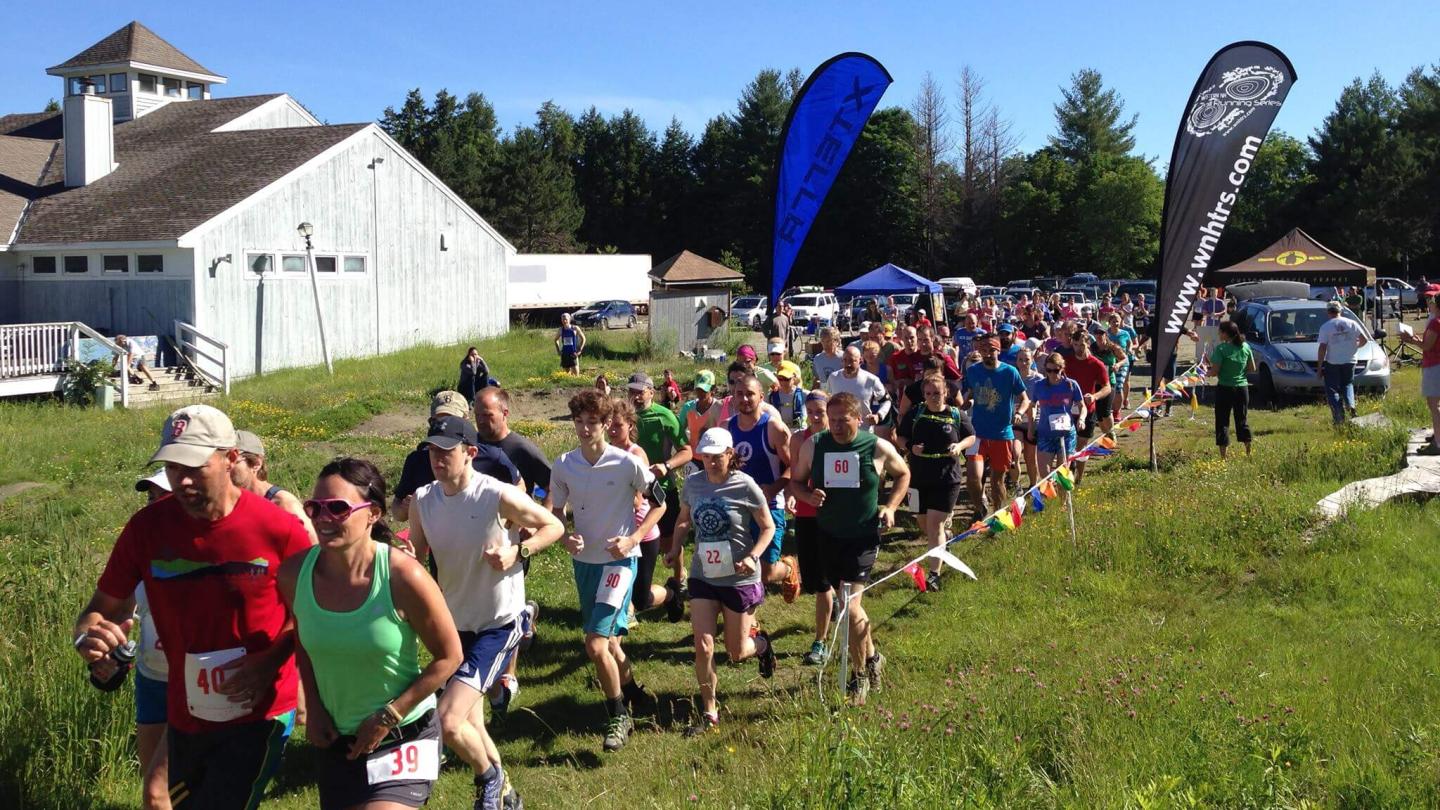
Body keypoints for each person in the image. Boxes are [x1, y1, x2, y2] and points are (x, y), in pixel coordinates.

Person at [74, 404, 310, 810]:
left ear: (231, 458)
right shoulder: (146, 529)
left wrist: (271, 661)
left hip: (261, 710)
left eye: (194, 467)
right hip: (186, 712)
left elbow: (315, 617)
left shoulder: (278, 528)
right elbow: (99, 609)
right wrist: (88, 636)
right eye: (171, 467)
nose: (181, 480)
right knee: (167, 800)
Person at [280, 458, 463, 810]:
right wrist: (314, 709)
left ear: (373, 513)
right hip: (338, 742)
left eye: (337, 508)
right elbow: (303, 642)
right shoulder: (293, 575)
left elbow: (450, 656)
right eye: (314, 508)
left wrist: (388, 716)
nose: (323, 518)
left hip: (403, 735)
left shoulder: (402, 576)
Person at [405, 416, 564, 808]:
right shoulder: (423, 502)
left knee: (449, 719)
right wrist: (406, 562)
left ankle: (488, 782)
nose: (437, 458)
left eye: (447, 450)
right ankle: (507, 792)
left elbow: (553, 526)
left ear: (470, 453)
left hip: (499, 622)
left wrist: (518, 551)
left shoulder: (496, 495)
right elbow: (419, 557)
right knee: (471, 723)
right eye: (432, 450)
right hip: (454, 624)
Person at [550, 390, 666, 752]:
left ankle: (618, 715)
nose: (585, 430)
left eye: (592, 423)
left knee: (596, 643)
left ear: (605, 424)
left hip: (619, 563)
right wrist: (565, 537)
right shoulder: (564, 464)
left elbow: (662, 503)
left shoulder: (626, 463)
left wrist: (634, 540)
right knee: (611, 642)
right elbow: (553, 511)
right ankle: (631, 691)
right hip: (585, 564)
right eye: (579, 422)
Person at [790, 392, 911, 706]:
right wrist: (807, 496)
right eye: (833, 420)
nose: (838, 426)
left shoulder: (876, 447)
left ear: (859, 418)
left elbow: (903, 474)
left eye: (844, 420)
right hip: (827, 535)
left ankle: (858, 679)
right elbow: (796, 482)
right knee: (847, 605)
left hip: (862, 537)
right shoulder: (814, 445)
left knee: (849, 606)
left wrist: (890, 507)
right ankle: (872, 657)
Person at [666, 428, 777, 736]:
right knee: (703, 646)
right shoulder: (693, 483)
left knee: (737, 651)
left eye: (719, 457)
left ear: (731, 454)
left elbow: (767, 527)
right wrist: (676, 547)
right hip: (704, 574)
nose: (712, 462)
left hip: (739, 576)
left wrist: (754, 556)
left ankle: (763, 645)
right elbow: (685, 519)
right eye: (707, 457)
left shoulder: (745, 485)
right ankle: (710, 712)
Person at [474, 386, 553, 707]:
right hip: (480, 542)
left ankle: (508, 674)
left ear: (505, 413)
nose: (480, 421)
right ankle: (528, 614)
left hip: (514, 542)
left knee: (505, 606)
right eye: (477, 415)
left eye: (487, 415)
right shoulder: (473, 447)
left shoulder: (520, 448)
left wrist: (537, 525)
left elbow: (553, 486)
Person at [896, 372, 975, 592]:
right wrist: (910, 447)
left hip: (947, 477)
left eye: (937, 393)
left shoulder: (956, 415)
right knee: (923, 524)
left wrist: (959, 447)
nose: (933, 397)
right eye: (929, 393)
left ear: (946, 393)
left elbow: (971, 436)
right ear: (923, 394)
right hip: (918, 476)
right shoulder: (915, 413)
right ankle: (945, 540)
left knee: (934, 524)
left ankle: (934, 575)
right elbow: (899, 437)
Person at [726, 375, 801, 602]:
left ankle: (788, 568)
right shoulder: (728, 427)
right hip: (738, 506)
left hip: (770, 505)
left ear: (761, 396)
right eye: (740, 394)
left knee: (767, 572)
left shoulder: (773, 428)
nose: (745, 399)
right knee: (739, 563)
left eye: (750, 394)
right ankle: (748, 612)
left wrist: (774, 487)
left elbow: (793, 467)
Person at [392, 392, 521, 523]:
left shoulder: (491, 456)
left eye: (451, 421)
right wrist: (404, 509)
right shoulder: (417, 460)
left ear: (465, 421)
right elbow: (397, 510)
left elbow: (519, 485)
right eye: (437, 421)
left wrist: (509, 516)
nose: (444, 427)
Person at [608, 398, 683, 620]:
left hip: (643, 532)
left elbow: (639, 501)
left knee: (641, 598)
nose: (612, 429)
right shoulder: (606, 452)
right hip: (617, 529)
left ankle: (670, 594)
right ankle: (620, 617)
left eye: (618, 425)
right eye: (609, 424)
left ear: (630, 425)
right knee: (618, 583)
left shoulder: (635, 455)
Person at [629, 372, 692, 620]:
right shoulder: (625, 417)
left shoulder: (664, 416)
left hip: (662, 490)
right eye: (631, 391)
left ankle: (679, 579)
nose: (634, 396)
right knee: (635, 545)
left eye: (639, 391)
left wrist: (666, 465)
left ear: (651, 392)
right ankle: (632, 601)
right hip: (632, 494)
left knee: (669, 543)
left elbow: (687, 451)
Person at [788, 391, 834, 666]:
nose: (815, 417)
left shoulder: (839, 440)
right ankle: (831, 609)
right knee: (814, 580)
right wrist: (797, 496)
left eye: (821, 411)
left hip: (833, 517)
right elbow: (796, 476)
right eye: (811, 411)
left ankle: (820, 641)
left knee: (824, 585)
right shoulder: (798, 439)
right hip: (806, 514)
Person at [963, 336, 1030, 511]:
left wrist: (1019, 413)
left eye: (991, 350)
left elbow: (1025, 399)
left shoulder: (1010, 372)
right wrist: (965, 403)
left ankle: (998, 513)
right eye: (984, 351)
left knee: (997, 480)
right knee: (972, 477)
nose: (987, 354)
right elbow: (970, 395)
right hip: (977, 433)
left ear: (998, 350)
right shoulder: (973, 371)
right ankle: (980, 509)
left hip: (1001, 433)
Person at [233, 430, 317, 544]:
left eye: (233, 459)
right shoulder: (230, 502)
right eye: (222, 459)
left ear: (256, 464)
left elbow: (314, 549)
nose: (226, 466)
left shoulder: (283, 504)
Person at [1063, 330, 1113, 485]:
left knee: (1081, 445)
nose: (1078, 348)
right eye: (1076, 344)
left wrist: (1095, 396)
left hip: (1088, 409)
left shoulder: (1096, 364)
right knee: (1068, 444)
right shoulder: (1067, 361)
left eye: (1082, 345)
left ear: (1088, 344)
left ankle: (1079, 477)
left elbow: (1107, 387)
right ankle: (1068, 474)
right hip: (1068, 409)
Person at [1026, 353, 1086, 476]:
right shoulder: (1039, 385)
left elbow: (1082, 406)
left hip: (1066, 434)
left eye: (1056, 370)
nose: (1053, 374)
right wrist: (1031, 427)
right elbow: (1032, 405)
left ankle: (1063, 494)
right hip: (1045, 433)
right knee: (1045, 474)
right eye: (1049, 370)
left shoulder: (1071, 384)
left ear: (1062, 368)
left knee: (1062, 473)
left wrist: (1082, 419)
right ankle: (1050, 495)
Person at [1208, 320, 1257, 460]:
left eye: (1220, 331)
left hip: (1225, 388)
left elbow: (1214, 371)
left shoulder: (1221, 349)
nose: (1218, 333)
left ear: (1225, 333)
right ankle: (1248, 452)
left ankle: (1223, 457)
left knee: (1222, 421)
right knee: (1242, 420)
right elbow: (1252, 368)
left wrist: (1206, 373)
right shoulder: (1246, 346)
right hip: (1242, 388)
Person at [1316, 300, 1370, 424]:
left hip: (1333, 361)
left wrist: (1319, 368)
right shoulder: (1352, 323)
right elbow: (1364, 339)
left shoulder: (1326, 326)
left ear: (1328, 312)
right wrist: (1356, 346)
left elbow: (1322, 347)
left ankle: (1338, 415)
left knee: (1332, 389)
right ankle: (1351, 405)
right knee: (1347, 384)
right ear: (1340, 310)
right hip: (1350, 360)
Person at [1400, 291, 1440, 456]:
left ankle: (1437, 443)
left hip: (1434, 365)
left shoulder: (1435, 323)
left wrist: (1409, 340)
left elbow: (1427, 346)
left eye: (1430, 301)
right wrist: (1416, 340)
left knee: (1433, 406)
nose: (1428, 304)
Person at [825, 346, 891, 432]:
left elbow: (886, 400)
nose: (848, 364)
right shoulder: (833, 378)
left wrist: (879, 416)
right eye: (845, 360)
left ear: (860, 360)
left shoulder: (871, 380)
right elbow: (826, 400)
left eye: (852, 361)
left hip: (864, 432)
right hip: (838, 431)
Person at [1013, 348, 1043, 489]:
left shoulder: (1039, 379)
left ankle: (1033, 486)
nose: (1024, 362)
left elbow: (1044, 401)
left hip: (1034, 421)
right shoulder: (1012, 377)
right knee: (1015, 453)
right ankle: (1016, 484)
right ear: (1016, 361)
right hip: (1016, 422)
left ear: (1032, 361)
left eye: (1027, 359)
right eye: (1021, 359)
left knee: (1031, 458)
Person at [679, 370, 720, 449]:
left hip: (713, 459)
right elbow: (679, 432)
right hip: (693, 458)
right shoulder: (688, 407)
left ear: (713, 390)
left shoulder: (719, 408)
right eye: (698, 389)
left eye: (704, 390)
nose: (700, 393)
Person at [767, 361, 807, 430]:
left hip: (799, 432)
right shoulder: (771, 396)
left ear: (794, 377)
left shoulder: (805, 394)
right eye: (780, 379)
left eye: (786, 379)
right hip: (780, 431)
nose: (783, 382)